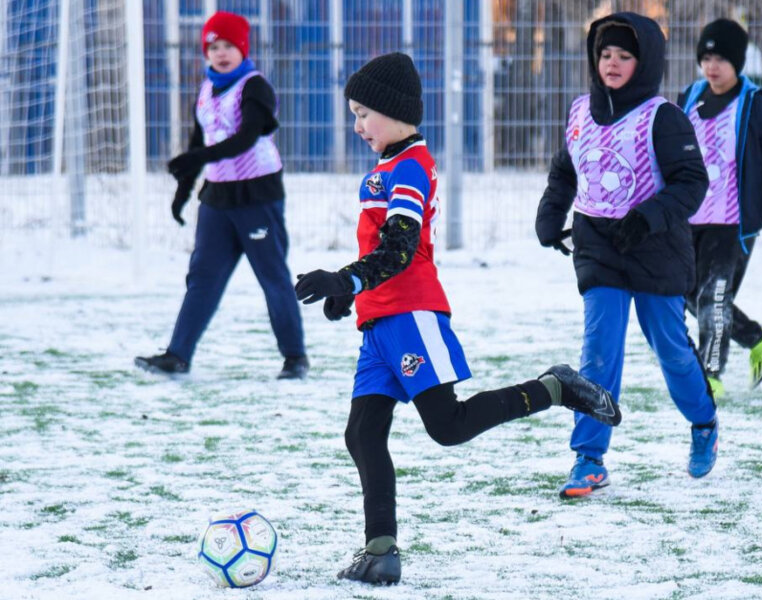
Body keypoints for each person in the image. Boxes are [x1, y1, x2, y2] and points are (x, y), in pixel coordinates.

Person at [293, 53, 621, 585]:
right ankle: (381, 551)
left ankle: (554, 389)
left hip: (410, 315)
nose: (356, 126)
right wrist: (350, 291)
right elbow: (380, 247)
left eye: (362, 114)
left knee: (447, 426)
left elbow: (400, 250)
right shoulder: (384, 169)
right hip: (379, 321)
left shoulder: (411, 168)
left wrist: (347, 280)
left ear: (395, 112)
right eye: (352, 114)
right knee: (362, 432)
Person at [535, 12, 719, 496]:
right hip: (599, 249)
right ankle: (589, 459)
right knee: (598, 353)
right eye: (605, 54)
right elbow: (564, 173)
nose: (612, 63)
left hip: (656, 251)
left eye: (624, 55)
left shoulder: (663, 117)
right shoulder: (580, 112)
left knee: (671, 352)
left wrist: (648, 217)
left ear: (645, 62)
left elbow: (692, 182)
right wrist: (551, 215)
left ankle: (703, 422)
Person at [135, 11, 307, 380]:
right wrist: (183, 191)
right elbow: (200, 141)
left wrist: (194, 158)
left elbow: (245, 139)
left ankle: (295, 358)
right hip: (217, 198)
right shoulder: (207, 88)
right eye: (214, 46)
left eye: (229, 45)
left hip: (256, 195)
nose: (221, 53)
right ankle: (177, 355)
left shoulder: (255, 87)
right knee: (202, 278)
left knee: (272, 277)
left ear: (243, 49)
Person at [677, 18, 762, 399]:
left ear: (738, 62)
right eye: (706, 57)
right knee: (686, 295)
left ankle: (710, 376)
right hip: (688, 219)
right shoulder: (688, 97)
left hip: (733, 223)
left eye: (721, 59)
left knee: (714, 298)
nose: (712, 66)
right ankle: (757, 338)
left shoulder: (755, 105)